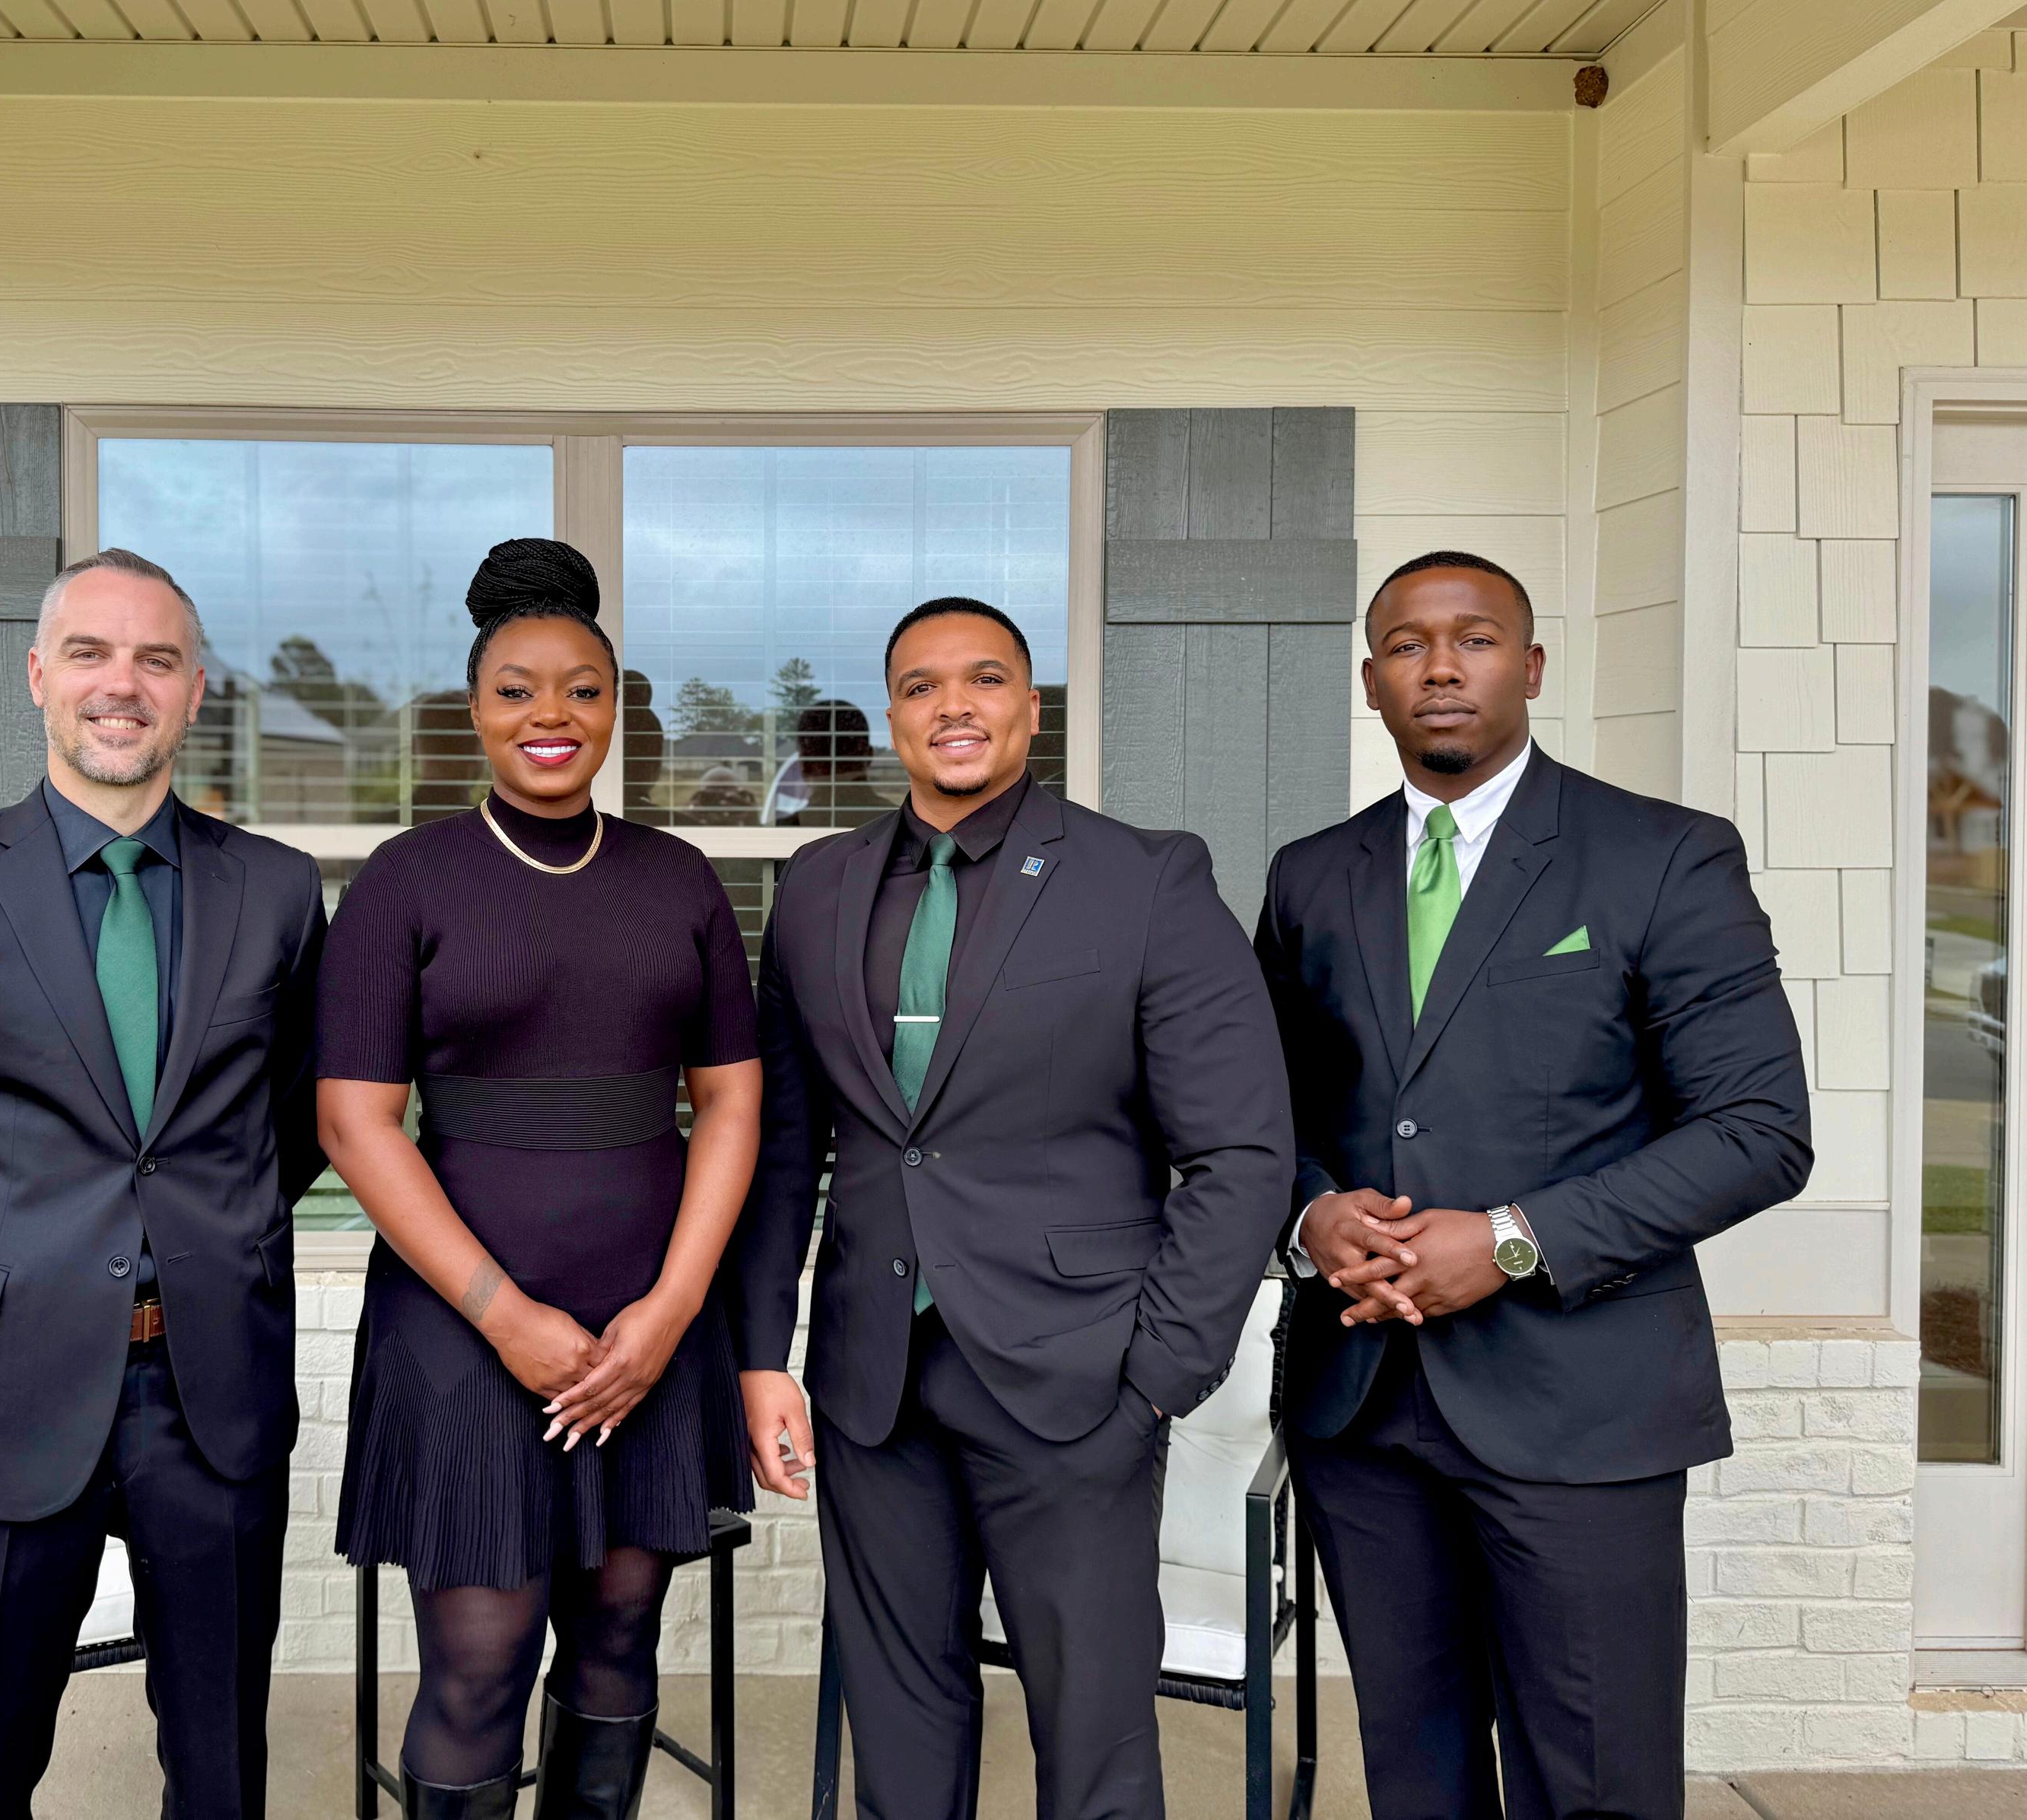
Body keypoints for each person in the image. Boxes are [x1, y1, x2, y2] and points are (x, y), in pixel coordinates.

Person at [1254, 550, 1813, 1820]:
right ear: (1372, 681)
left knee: (1597, 1784)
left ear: (1533, 666)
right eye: (1408, 646)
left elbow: (1759, 1130)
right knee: (1418, 1780)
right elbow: (1265, 1114)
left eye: (1476, 639)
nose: (1441, 667)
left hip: (1582, 1404)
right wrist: (1311, 1211)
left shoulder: (1662, 856)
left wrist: (1512, 1239)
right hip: (1363, 1405)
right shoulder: (1311, 875)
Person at [730, 597, 1294, 1820]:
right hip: (872, 1384)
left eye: (984, 679)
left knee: (1093, 1745)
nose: (954, 706)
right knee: (898, 1734)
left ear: (1032, 708)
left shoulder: (1144, 877)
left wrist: (1159, 1373)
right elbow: (784, 1148)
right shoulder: (819, 889)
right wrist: (762, 1354)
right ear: (893, 716)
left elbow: (1242, 1151)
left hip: (1078, 1381)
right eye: (922, 685)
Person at [0, 548, 327, 1820]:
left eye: (157, 660)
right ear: (39, 675)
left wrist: (219, 1240)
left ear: (195, 691)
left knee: (221, 1768)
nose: (122, 685)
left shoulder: (274, 889)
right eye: (91, 653)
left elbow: (299, 1119)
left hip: (209, 1387)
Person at [316, 538, 763, 1820]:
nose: (550, 715)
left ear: (617, 709)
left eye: (582, 689)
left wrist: (673, 1311)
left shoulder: (678, 879)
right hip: (462, 1323)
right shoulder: (407, 881)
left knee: (622, 1634)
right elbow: (354, 1124)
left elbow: (732, 1102)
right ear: (473, 710)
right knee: (481, 1658)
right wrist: (505, 1315)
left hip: (649, 1319)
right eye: (516, 690)